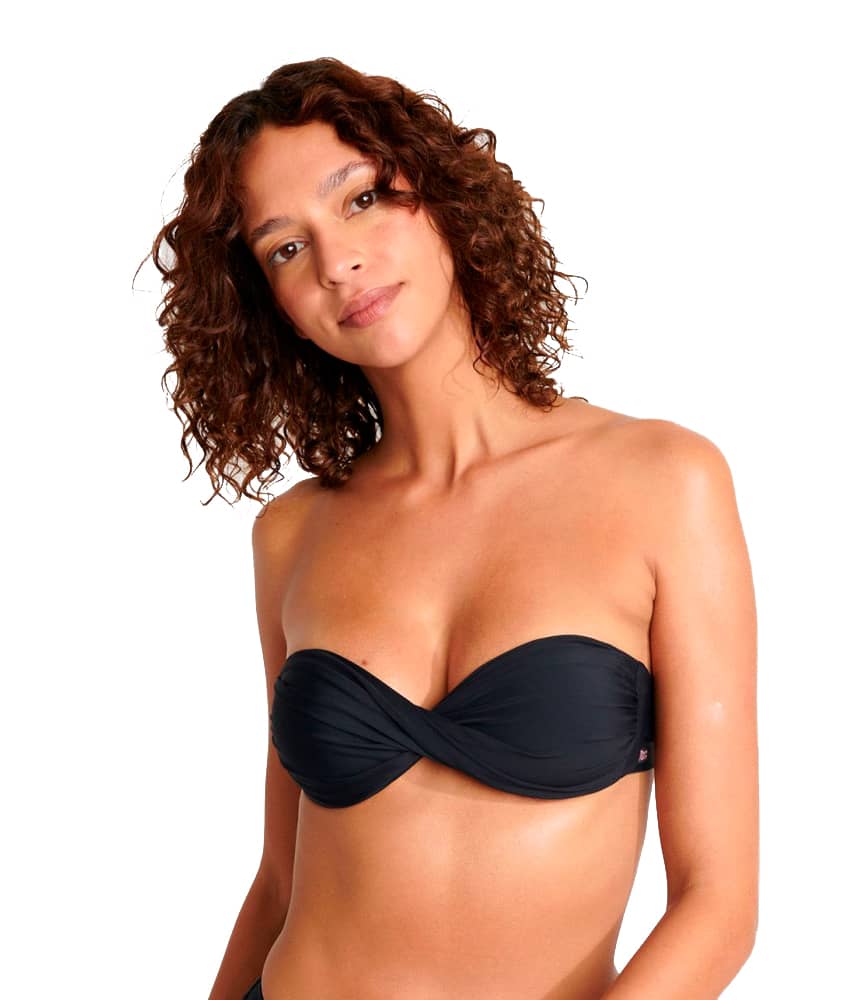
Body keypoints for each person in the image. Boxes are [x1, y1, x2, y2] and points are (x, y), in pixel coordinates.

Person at [149, 57, 758, 1000]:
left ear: (440, 198)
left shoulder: (663, 483)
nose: (337, 263)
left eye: (360, 200)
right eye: (287, 248)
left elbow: (717, 905)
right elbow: (279, 882)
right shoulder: (293, 536)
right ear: (276, 310)